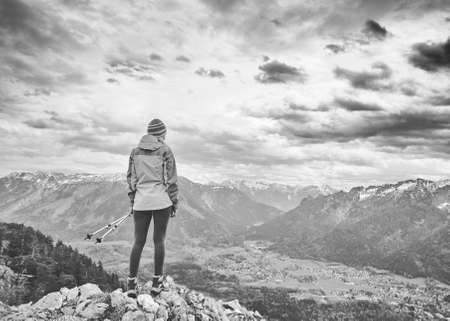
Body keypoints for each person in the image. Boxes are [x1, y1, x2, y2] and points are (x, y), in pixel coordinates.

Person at [126, 118, 179, 298]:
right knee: (159, 241)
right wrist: (174, 202)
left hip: (141, 202)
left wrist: (133, 202)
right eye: (164, 133)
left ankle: (131, 284)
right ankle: (156, 283)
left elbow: (131, 180)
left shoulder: (135, 152)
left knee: (138, 241)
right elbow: (171, 180)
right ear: (161, 134)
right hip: (161, 202)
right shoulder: (166, 151)